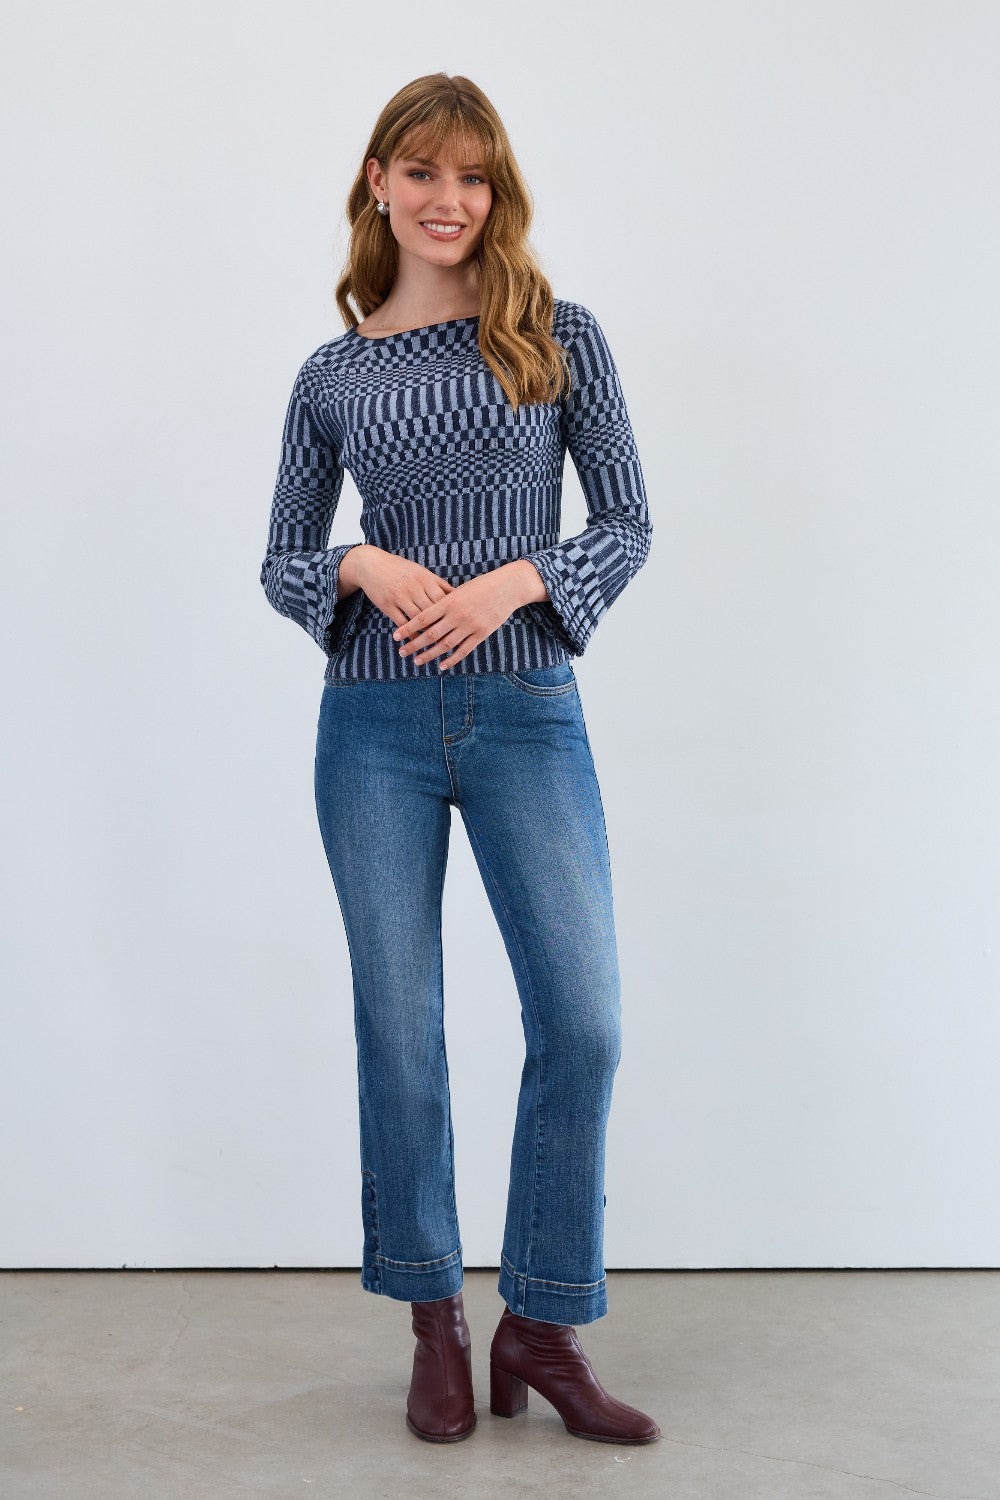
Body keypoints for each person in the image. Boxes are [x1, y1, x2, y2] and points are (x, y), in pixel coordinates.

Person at [259, 72, 659, 1446]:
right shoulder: (333, 376)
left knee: (584, 1022)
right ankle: (433, 1316)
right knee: (403, 1030)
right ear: (378, 182)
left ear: (499, 192)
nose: (449, 199)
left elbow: (627, 521)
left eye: (473, 176)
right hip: (371, 729)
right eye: (423, 172)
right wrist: (357, 562)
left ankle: (540, 1325)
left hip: (527, 709)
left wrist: (520, 581)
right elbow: (281, 559)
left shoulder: (557, 334)